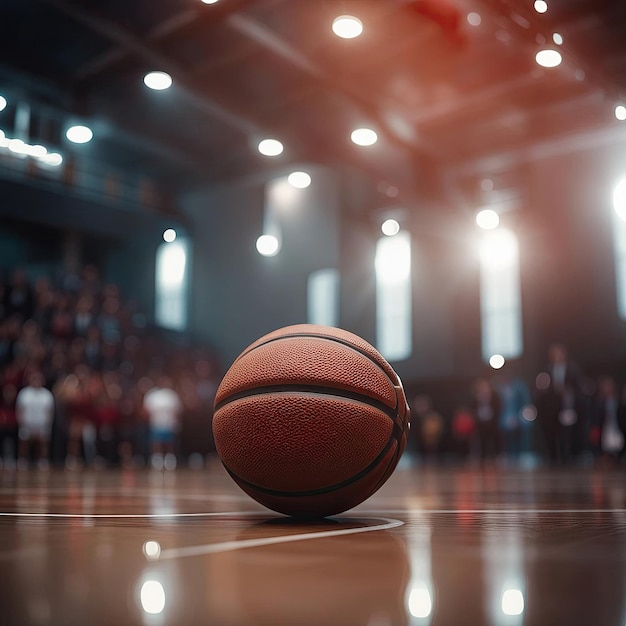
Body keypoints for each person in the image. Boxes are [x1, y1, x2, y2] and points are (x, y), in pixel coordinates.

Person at [15, 370, 55, 469]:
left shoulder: (47, 394)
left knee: (43, 443)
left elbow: (50, 411)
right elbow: (20, 409)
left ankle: (43, 460)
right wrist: (22, 423)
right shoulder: (24, 393)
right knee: (24, 443)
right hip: (27, 424)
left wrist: (47, 424)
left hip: (42, 424)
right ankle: (23, 460)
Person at [143, 376, 182, 470]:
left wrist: (176, 423)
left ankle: (169, 460)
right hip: (156, 424)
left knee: (169, 444)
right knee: (156, 443)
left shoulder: (172, 395)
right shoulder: (153, 395)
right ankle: (157, 459)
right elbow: (146, 410)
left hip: (169, 425)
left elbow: (178, 410)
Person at [471, 377, 501, 466]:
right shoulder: (476, 397)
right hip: (481, 423)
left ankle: (494, 459)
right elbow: (473, 409)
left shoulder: (494, 397)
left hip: (492, 422)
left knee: (493, 441)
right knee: (482, 441)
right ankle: (482, 460)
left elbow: (498, 408)